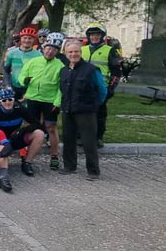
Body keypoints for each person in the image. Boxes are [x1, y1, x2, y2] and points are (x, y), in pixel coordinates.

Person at [59, 42, 108, 180]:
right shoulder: (63, 70)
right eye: (70, 52)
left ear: (80, 53)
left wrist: (94, 105)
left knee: (88, 141)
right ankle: (69, 166)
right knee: (68, 139)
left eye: (76, 52)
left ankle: (93, 171)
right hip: (68, 110)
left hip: (86, 111)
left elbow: (102, 90)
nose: (73, 54)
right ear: (65, 53)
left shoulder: (91, 70)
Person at [17, 31, 66, 169]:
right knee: (30, 126)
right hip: (33, 98)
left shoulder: (60, 66)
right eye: (48, 48)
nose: (50, 51)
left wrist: (57, 102)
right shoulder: (33, 61)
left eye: (54, 49)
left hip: (50, 100)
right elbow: (22, 75)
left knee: (51, 127)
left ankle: (54, 155)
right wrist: (23, 81)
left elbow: (61, 88)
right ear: (43, 48)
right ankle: (26, 152)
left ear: (57, 51)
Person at [81, 23, 121, 148]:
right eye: (92, 35)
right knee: (81, 113)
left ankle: (98, 137)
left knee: (99, 114)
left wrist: (111, 88)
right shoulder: (82, 50)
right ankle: (81, 136)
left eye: (97, 34)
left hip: (100, 88)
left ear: (102, 36)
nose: (94, 37)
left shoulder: (110, 51)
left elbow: (116, 72)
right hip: (82, 87)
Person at [0, 87, 45, 176]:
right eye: (4, 100)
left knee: (39, 133)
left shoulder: (20, 109)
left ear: (14, 99)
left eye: (10, 99)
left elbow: (36, 124)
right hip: (0, 141)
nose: (8, 102)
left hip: (15, 137)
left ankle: (27, 163)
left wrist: (22, 130)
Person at [4, 27, 42, 99]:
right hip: (14, 86)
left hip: (30, 88)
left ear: (34, 40)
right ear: (21, 39)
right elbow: (6, 70)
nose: (27, 40)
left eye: (30, 38)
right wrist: (7, 84)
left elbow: (40, 74)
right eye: (25, 38)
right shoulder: (11, 53)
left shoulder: (38, 55)